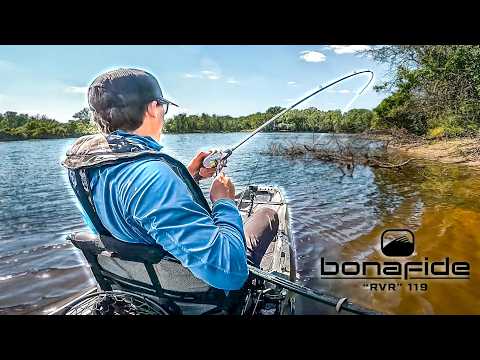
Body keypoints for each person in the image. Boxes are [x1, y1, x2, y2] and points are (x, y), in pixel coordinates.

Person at [63, 68, 279, 291]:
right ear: (152, 108)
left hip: (140, 286)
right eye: (162, 106)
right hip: (194, 294)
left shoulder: (83, 169)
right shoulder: (153, 177)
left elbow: (135, 207)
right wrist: (224, 202)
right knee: (267, 215)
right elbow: (229, 274)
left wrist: (189, 176)